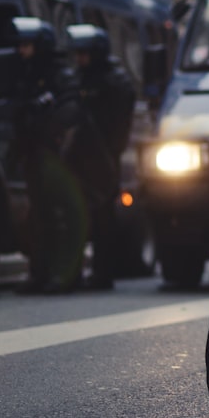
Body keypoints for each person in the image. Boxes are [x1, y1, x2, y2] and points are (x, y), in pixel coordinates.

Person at [9, 17, 84, 293]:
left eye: (27, 45)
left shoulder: (59, 75)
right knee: (39, 216)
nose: (22, 51)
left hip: (55, 157)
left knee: (60, 215)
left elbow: (71, 109)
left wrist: (50, 132)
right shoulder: (24, 73)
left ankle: (65, 275)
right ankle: (39, 272)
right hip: (33, 153)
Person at [64, 24, 136, 290]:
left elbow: (118, 122)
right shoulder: (80, 78)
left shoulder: (113, 81)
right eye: (78, 53)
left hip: (104, 158)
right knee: (80, 215)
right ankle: (78, 271)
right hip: (81, 158)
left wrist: (109, 150)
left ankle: (103, 272)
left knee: (103, 218)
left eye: (85, 53)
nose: (80, 59)